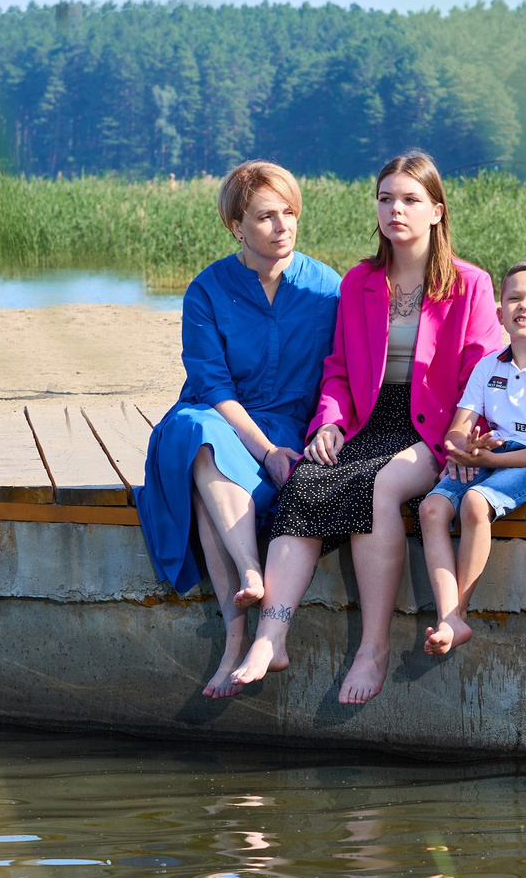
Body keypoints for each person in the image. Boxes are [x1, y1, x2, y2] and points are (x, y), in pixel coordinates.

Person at [209, 150, 504, 705]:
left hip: (437, 428)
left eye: (411, 200)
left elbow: (480, 373)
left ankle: (372, 648)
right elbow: (339, 369)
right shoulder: (362, 282)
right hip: (369, 422)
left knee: (376, 487)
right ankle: (272, 636)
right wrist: (329, 423)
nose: (396, 210)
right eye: (386, 198)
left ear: (437, 211)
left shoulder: (470, 285)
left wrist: (466, 436)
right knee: (304, 482)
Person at [138, 162, 341, 693]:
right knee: (194, 435)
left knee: (208, 495)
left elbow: (342, 374)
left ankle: (234, 642)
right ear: (237, 226)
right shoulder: (207, 290)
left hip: (292, 424)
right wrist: (266, 449)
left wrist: (322, 429)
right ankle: (252, 574)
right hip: (223, 416)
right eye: (266, 216)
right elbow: (212, 385)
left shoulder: (328, 289)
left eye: (289, 213)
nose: (283, 226)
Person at [419, 261, 526, 657]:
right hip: (494, 455)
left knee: (476, 503)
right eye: (514, 297)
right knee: (431, 508)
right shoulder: (487, 366)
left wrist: (488, 462)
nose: (524, 306)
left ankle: (457, 612)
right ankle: (448, 617)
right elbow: (457, 430)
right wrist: (464, 449)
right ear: (499, 314)